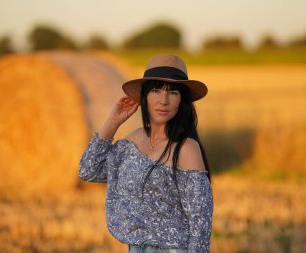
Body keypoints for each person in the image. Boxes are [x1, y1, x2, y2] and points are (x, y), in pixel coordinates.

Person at [79, 54, 213, 253]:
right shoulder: (134, 140)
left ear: (182, 100)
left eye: (173, 92)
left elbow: (200, 224)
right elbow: (88, 170)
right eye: (156, 90)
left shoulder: (186, 149)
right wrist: (112, 122)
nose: (164, 100)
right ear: (145, 96)